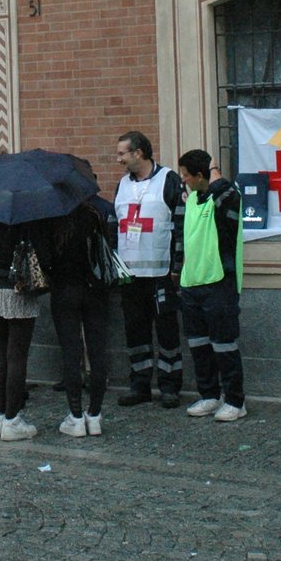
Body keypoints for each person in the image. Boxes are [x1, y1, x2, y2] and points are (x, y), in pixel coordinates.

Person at [113, 131, 185, 408]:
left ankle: (169, 386)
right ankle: (139, 383)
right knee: (135, 331)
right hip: (130, 275)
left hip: (161, 273)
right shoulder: (122, 185)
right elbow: (115, 226)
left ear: (138, 153)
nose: (118, 159)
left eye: (122, 153)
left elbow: (179, 225)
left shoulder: (168, 180)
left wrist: (178, 265)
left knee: (166, 331)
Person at [177, 149, 247, 422]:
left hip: (219, 282)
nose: (183, 180)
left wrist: (215, 173)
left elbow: (228, 194)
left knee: (224, 345)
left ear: (199, 175)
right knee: (199, 345)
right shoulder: (193, 200)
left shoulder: (225, 198)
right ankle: (209, 394)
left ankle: (235, 400)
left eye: (186, 175)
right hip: (192, 282)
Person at [46, 196, 115, 437]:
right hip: (95, 289)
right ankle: (94, 414)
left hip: (65, 290)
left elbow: (45, 260)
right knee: (97, 351)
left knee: (71, 351)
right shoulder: (95, 215)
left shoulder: (52, 219)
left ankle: (75, 416)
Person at [0, 214, 41, 440]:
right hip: (18, 288)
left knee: (1, 352)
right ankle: (13, 419)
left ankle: (0, 414)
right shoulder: (26, 220)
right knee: (17, 355)